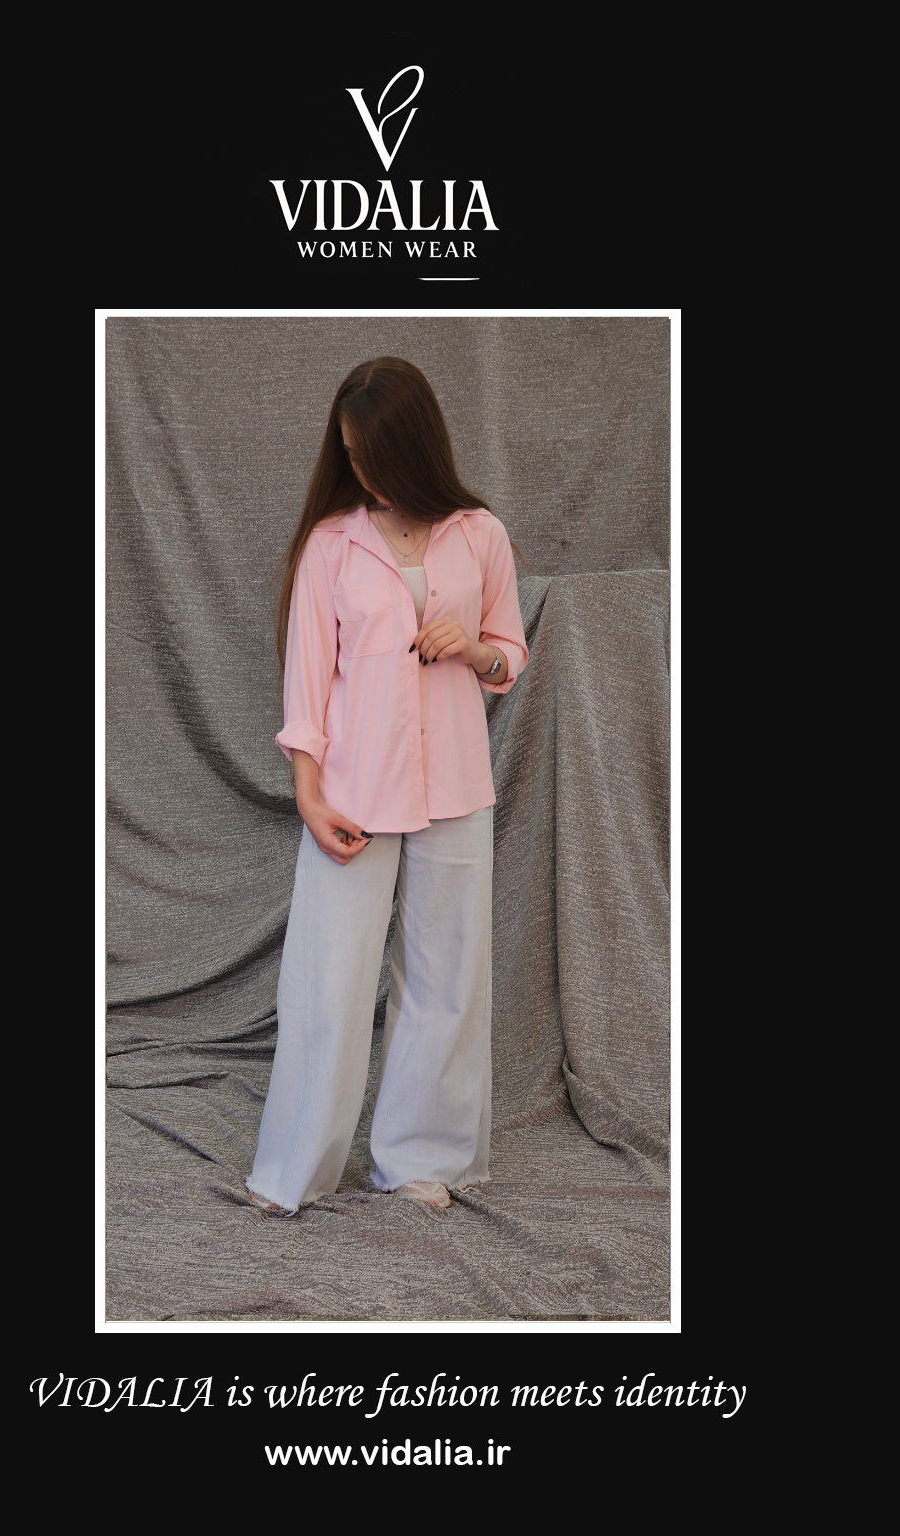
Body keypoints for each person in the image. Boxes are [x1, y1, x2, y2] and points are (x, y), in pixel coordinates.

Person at [246, 357, 529, 1215]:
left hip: (455, 782)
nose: (360, 469)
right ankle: (294, 1167)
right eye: (349, 452)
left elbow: (507, 654)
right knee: (328, 977)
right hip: (353, 789)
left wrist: (472, 650)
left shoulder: (480, 534)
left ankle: (419, 1160)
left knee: (447, 975)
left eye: (372, 452)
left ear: (414, 446)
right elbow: (307, 685)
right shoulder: (331, 546)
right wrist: (309, 793)